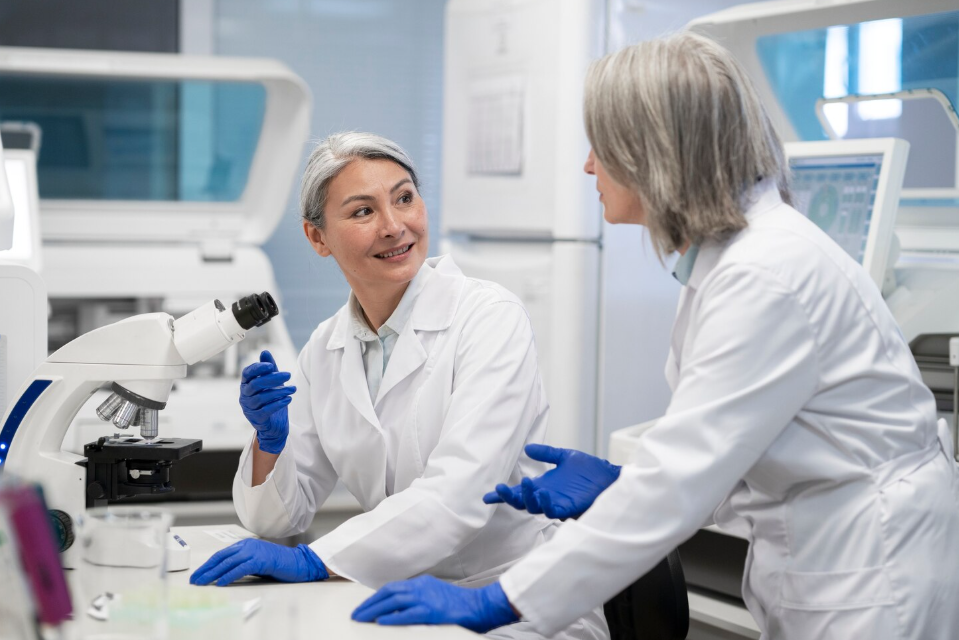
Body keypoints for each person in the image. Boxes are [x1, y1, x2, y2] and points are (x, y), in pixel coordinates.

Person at [351, 32, 959, 639]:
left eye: (600, 146)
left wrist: (505, 599)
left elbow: (682, 476)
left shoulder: (765, 275)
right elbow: (734, 443)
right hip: (824, 556)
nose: (588, 165)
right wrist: (622, 483)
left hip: (870, 572)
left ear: (653, 152)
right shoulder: (725, 261)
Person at [189, 132, 608, 640]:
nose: (394, 226)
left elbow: (458, 494)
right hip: (395, 595)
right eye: (363, 212)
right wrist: (269, 446)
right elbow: (276, 522)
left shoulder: (488, 318)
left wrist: (315, 558)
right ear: (318, 238)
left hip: (517, 599)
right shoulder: (326, 348)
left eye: (404, 198)